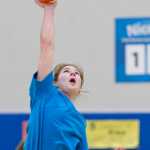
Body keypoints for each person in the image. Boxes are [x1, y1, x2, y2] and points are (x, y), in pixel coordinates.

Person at [23, 0, 88, 149]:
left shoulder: (79, 122)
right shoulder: (44, 93)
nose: (73, 74)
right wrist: (49, 9)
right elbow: (47, 46)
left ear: (80, 87)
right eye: (66, 71)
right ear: (55, 81)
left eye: (77, 74)